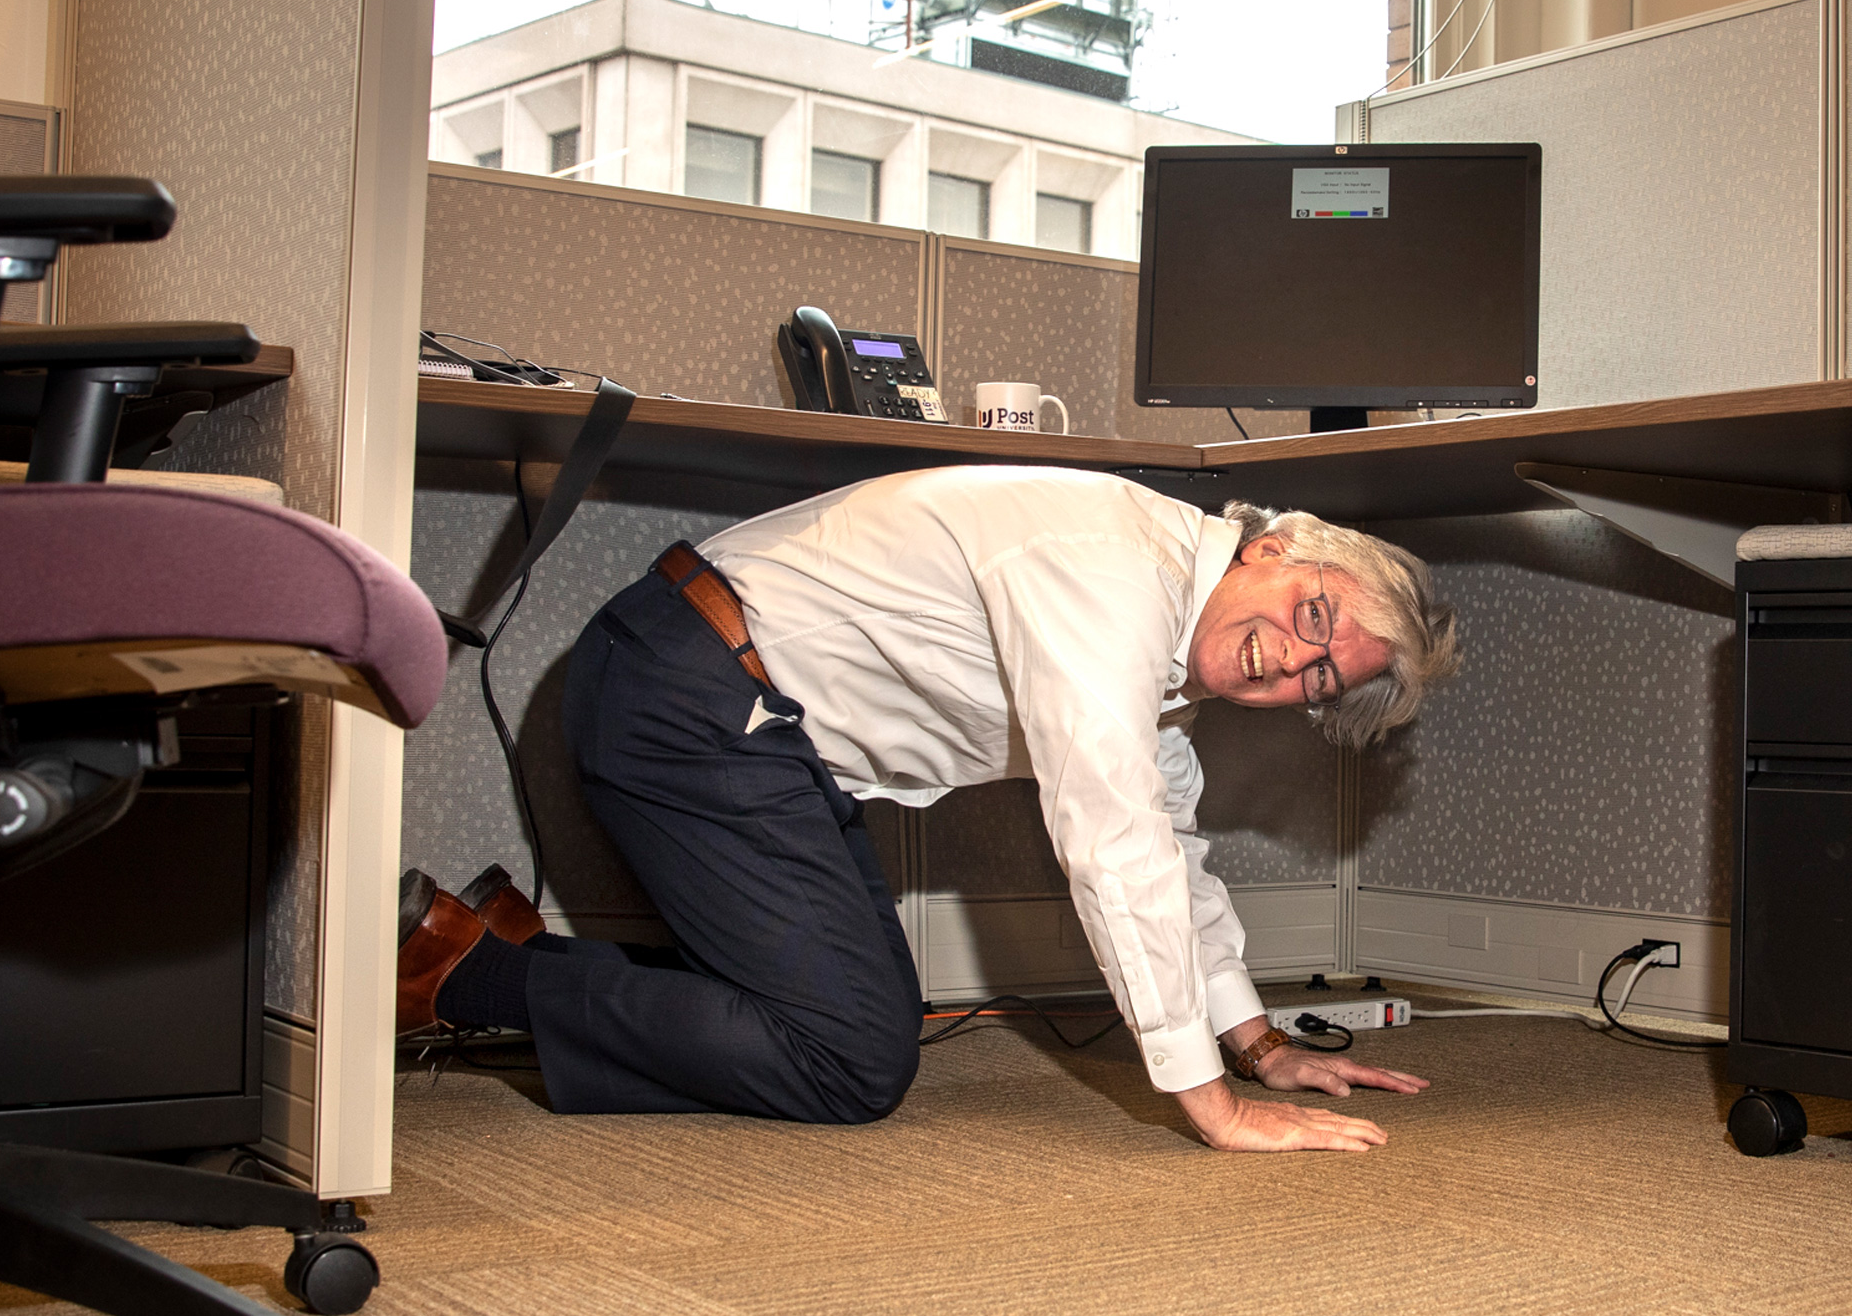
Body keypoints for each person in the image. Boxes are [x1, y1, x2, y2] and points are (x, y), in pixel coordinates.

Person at [398, 464, 1460, 1154]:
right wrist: (1212, 1105)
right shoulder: (1113, 570)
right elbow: (1115, 841)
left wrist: (1259, 1045)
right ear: (1277, 545)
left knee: (857, 1022)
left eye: (1320, 679)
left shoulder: (1169, 643)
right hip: (683, 692)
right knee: (851, 1059)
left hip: (758, 729)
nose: (1294, 661)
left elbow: (1173, 847)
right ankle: (472, 976)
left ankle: (510, 947)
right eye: (1312, 616)